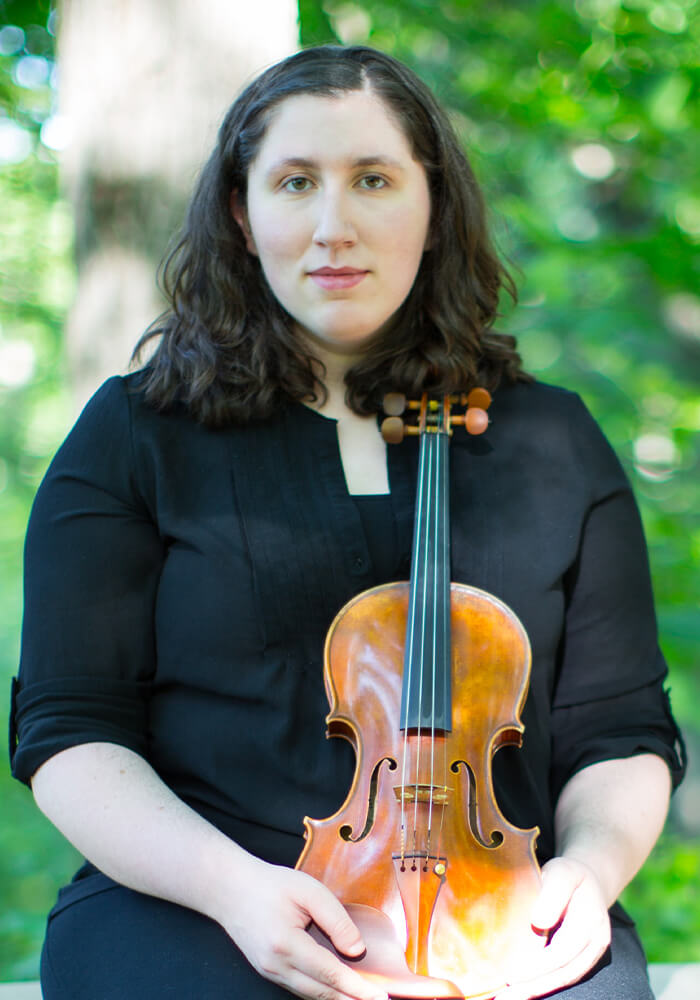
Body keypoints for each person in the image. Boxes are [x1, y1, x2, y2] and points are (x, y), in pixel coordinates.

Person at [9, 44, 685, 1000]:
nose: (335, 226)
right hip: (196, 902)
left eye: (373, 179)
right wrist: (234, 891)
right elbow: (71, 731)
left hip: (500, 903)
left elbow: (620, 731)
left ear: (433, 206)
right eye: (295, 183)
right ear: (243, 217)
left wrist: (587, 875)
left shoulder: (553, 439)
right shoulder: (136, 432)